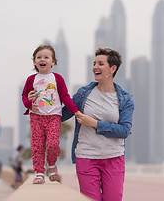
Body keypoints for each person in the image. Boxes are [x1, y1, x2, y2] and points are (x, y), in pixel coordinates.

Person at [60, 48, 134, 201]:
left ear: (112, 69)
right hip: (86, 157)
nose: (95, 67)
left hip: (114, 158)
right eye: (94, 63)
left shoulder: (125, 98)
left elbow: (124, 131)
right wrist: (39, 103)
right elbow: (61, 115)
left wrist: (94, 124)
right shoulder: (83, 94)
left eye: (101, 63)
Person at [22, 44, 81, 184]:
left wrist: (75, 111)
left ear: (53, 62)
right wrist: (29, 104)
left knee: (53, 144)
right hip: (36, 117)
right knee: (37, 145)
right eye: (39, 57)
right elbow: (24, 96)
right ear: (35, 61)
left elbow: (65, 96)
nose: (42, 59)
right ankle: (39, 173)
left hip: (54, 116)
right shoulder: (31, 79)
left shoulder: (57, 78)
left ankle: (52, 165)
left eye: (46, 57)